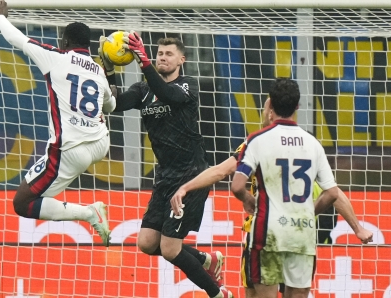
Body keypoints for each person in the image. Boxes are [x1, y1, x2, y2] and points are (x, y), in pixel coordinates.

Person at [170, 94, 373, 297]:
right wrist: (358, 228)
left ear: (270, 111)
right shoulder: (308, 144)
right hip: (298, 233)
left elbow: (222, 172)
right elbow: (334, 193)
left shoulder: (255, 144)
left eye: (266, 105)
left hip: (264, 232)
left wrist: (186, 187)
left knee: (256, 292)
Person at [101, 32, 232, 298]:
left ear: (181, 60)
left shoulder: (187, 86)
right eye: (160, 53)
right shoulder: (142, 90)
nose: (163, 57)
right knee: (147, 243)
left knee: (171, 249)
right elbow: (112, 105)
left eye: (168, 54)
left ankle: (218, 293)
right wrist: (109, 69)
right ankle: (207, 260)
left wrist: (145, 63)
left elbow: (167, 93)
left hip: (191, 176)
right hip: (165, 176)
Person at [0, 0, 115, 246]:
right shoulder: (98, 70)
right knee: (39, 193)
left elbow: (17, 39)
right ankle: (84, 210)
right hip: (101, 143)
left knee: (23, 203)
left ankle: (89, 213)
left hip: (70, 149)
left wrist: (0, 18)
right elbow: (111, 106)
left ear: (65, 42)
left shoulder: (56, 57)